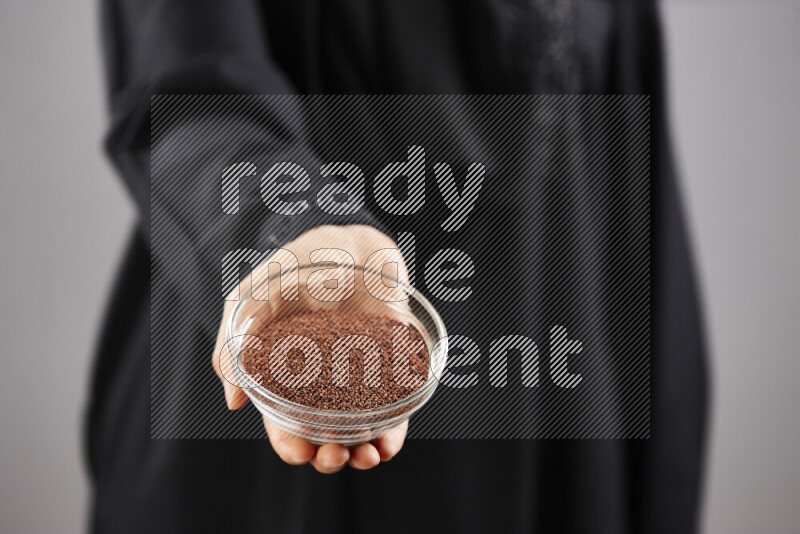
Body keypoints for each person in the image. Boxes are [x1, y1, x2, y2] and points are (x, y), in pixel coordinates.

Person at [88, 1, 707, 532]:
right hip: (271, 436)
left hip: (562, 412)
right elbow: (189, 85)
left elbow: (629, 160)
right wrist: (290, 229)